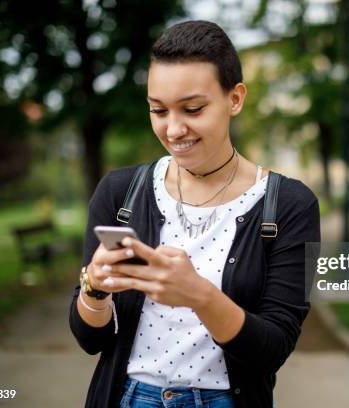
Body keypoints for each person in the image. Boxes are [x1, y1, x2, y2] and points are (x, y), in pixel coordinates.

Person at [69, 20, 320, 408]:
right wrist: (95, 288)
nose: (173, 129)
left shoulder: (290, 205)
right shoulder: (120, 193)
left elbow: (273, 349)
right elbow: (90, 340)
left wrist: (199, 296)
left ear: (235, 99)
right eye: (158, 110)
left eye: (192, 109)